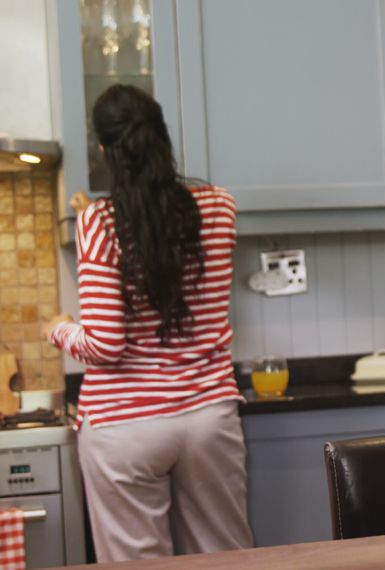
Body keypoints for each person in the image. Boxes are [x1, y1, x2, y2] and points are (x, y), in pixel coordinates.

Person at [44, 84, 253, 560]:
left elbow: (104, 343)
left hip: (124, 426)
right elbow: (162, 238)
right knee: (227, 557)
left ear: (105, 151)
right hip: (206, 416)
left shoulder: (99, 223)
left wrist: (57, 327)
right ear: (162, 137)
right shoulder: (219, 206)